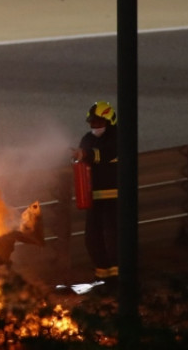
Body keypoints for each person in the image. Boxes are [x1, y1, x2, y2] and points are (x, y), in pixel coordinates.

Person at [72, 101, 119, 289]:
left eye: (99, 123)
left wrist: (86, 154)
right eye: (92, 123)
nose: (94, 126)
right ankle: (102, 277)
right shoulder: (87, 138)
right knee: (92, 238)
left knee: (114, 237)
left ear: (109, 121)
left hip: (115, 196)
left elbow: (105, 154)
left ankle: (119, 279)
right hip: (94, 197)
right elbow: (84, 159)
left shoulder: (117, 137)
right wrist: (77, 156)